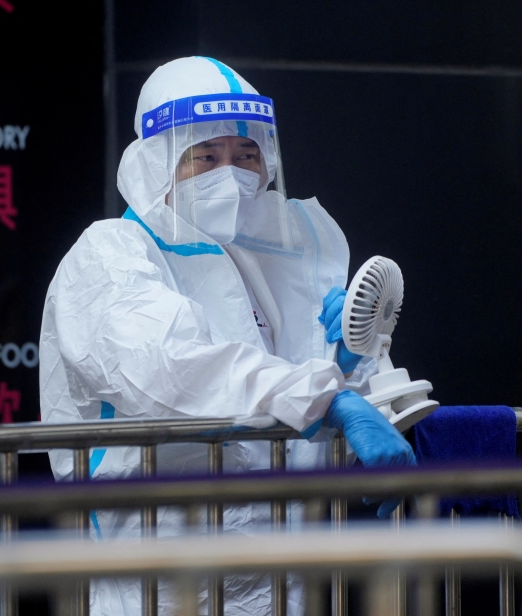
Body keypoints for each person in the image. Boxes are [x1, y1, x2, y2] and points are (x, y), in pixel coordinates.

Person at [39, 56, 416, 616]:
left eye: (246, 155)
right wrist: (324, 395)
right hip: (162, 589)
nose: (231, 172)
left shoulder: (281, 263)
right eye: (205, 156)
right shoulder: (110, 256)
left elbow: (312, 403)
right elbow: (172, 367)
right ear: (158, 163)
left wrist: (350, 363)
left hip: (292, 582)